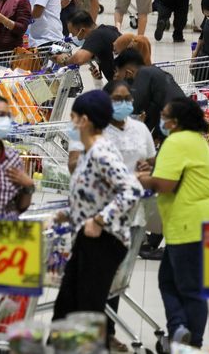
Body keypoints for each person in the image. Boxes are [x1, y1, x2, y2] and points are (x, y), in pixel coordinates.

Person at [66, 81, 156, 352]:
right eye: (117, 99)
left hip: (129, 216)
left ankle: (105, 333)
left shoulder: (139, 129)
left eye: (127, 98)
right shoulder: (93, 132)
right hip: (97, 216)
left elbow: (151, 162)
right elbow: (73, 164)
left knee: (114, 279)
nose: (124, 103)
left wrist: (146, 167)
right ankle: (94, 335)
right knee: (95, 281)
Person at [137, 98, 209, 348]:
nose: (161, 120)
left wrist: (141, 179)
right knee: (169, 280)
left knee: (189, 287)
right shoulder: (195, 139)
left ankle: (191, 343)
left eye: (164, 116)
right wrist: (156, 163)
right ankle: (178, 330)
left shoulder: (176, 141)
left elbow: (167, 184)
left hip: (191, 222)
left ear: (175, 122)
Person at [113, 49, 186, 137]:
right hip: (181, 117)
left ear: (128, 72)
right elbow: (152, 110)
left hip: (176, 122)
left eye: (117, 71)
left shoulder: (142, 75)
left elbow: (134, 108)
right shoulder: (152, 72)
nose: (116, 75)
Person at [54, 10, 121, 82]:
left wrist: (64, 61)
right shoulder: (109, 29)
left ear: (82, 30)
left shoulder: (97, 35)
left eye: (73, 33)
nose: (73, 36)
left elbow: (79, 59)